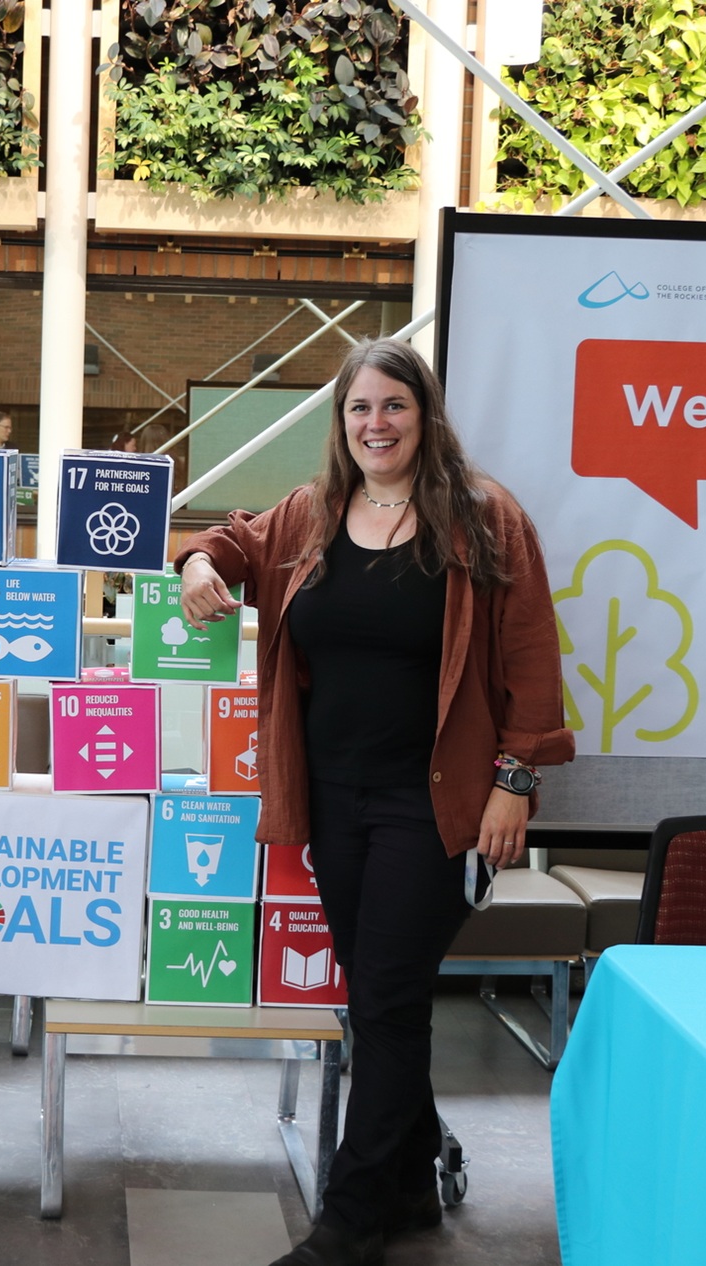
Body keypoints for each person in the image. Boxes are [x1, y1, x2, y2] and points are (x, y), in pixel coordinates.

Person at [175, 338, 572, 1266]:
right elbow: (231, 539)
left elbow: (531, 659)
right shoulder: (315, 512)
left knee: (387, 999)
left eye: (393, 405)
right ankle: (412, 1179)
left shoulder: (483, 519)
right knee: (378, 1000)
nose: (375, 424)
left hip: (435, 804)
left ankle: (350, 1222)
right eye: (359, 408)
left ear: (425, 416)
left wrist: (517, 781)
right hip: (336, 798)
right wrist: (198, 563)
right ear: (341, 422)